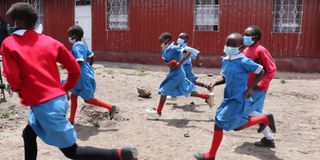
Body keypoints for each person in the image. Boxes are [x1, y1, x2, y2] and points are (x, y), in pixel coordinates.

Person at [1, 2, 137, 160]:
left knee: (72, 152)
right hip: (56, 100)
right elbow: (74, 69)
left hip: (45, 105)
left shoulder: (9, 44)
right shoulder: (49, 41)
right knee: (28, 134)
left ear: (17, 23)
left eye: (10, 23)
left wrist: (20, 90)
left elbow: (13, 78)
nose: (8, 27)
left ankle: (121, 155)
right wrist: (64, 88)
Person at [194, 33, 276, 160]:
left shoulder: (244, 61)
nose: (228, 47)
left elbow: (261, 71)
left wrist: (251, 87)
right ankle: (264, 118)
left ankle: (211, 155)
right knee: (236, 127)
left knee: (219, 122)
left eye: (233, 45)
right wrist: (215, 82)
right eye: (227, 44)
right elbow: (225, 77)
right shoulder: (226, 60)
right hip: (228, 97)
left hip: (238, 98)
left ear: (241, 47)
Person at [145, 32, 214, 119]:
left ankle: (158, 113)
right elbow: (166, 61)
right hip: (173, 73)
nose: (160, 44)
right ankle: (207, 97)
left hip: (178, 74)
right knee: (187, 90)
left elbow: (188, 52)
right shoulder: (164, 50)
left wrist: (179, 63)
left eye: (161, 42)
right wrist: (170, 64)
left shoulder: (174, 48)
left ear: (167, 41)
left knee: (164, 91)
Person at [67, 25, 117, 124]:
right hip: (84, 74)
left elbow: (80, 61)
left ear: (74, 36)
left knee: (88, 99)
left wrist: (74, 70)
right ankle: (71, 119)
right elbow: (92, 56)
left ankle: (110, 107)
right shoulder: (83, 45)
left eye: (69, 36)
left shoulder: (76, 46)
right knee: (74, 95)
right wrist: (88, 67)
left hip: (80, 76)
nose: (68, 38)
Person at [243, 25, 277, 148]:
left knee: (247, 111)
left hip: (257, 88)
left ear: (255, 37)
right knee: (254, 113)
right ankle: (268, 139)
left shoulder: (260, 50)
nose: (244, 37)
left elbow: (271, 70)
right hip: (248, 87)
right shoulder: (246, 49)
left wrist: (259, 84)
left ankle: (266, 121)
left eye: (247, 35)